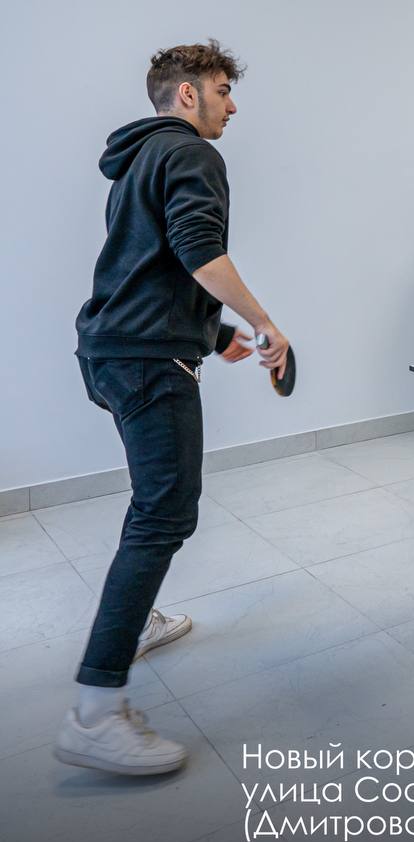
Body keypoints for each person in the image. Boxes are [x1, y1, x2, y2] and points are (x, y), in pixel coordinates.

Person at [60, 40, 290, 775]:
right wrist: (263, 323)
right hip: (147, 363)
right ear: (187, 94)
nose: (232, 104)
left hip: (108, 352)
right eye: (223, 90)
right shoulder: (192, 152)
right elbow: (197, 250)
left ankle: (133, 622)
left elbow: (146, 262)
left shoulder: (137, 158)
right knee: (164, 513)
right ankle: (95, 713)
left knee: (151, 504)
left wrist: (214, 334)